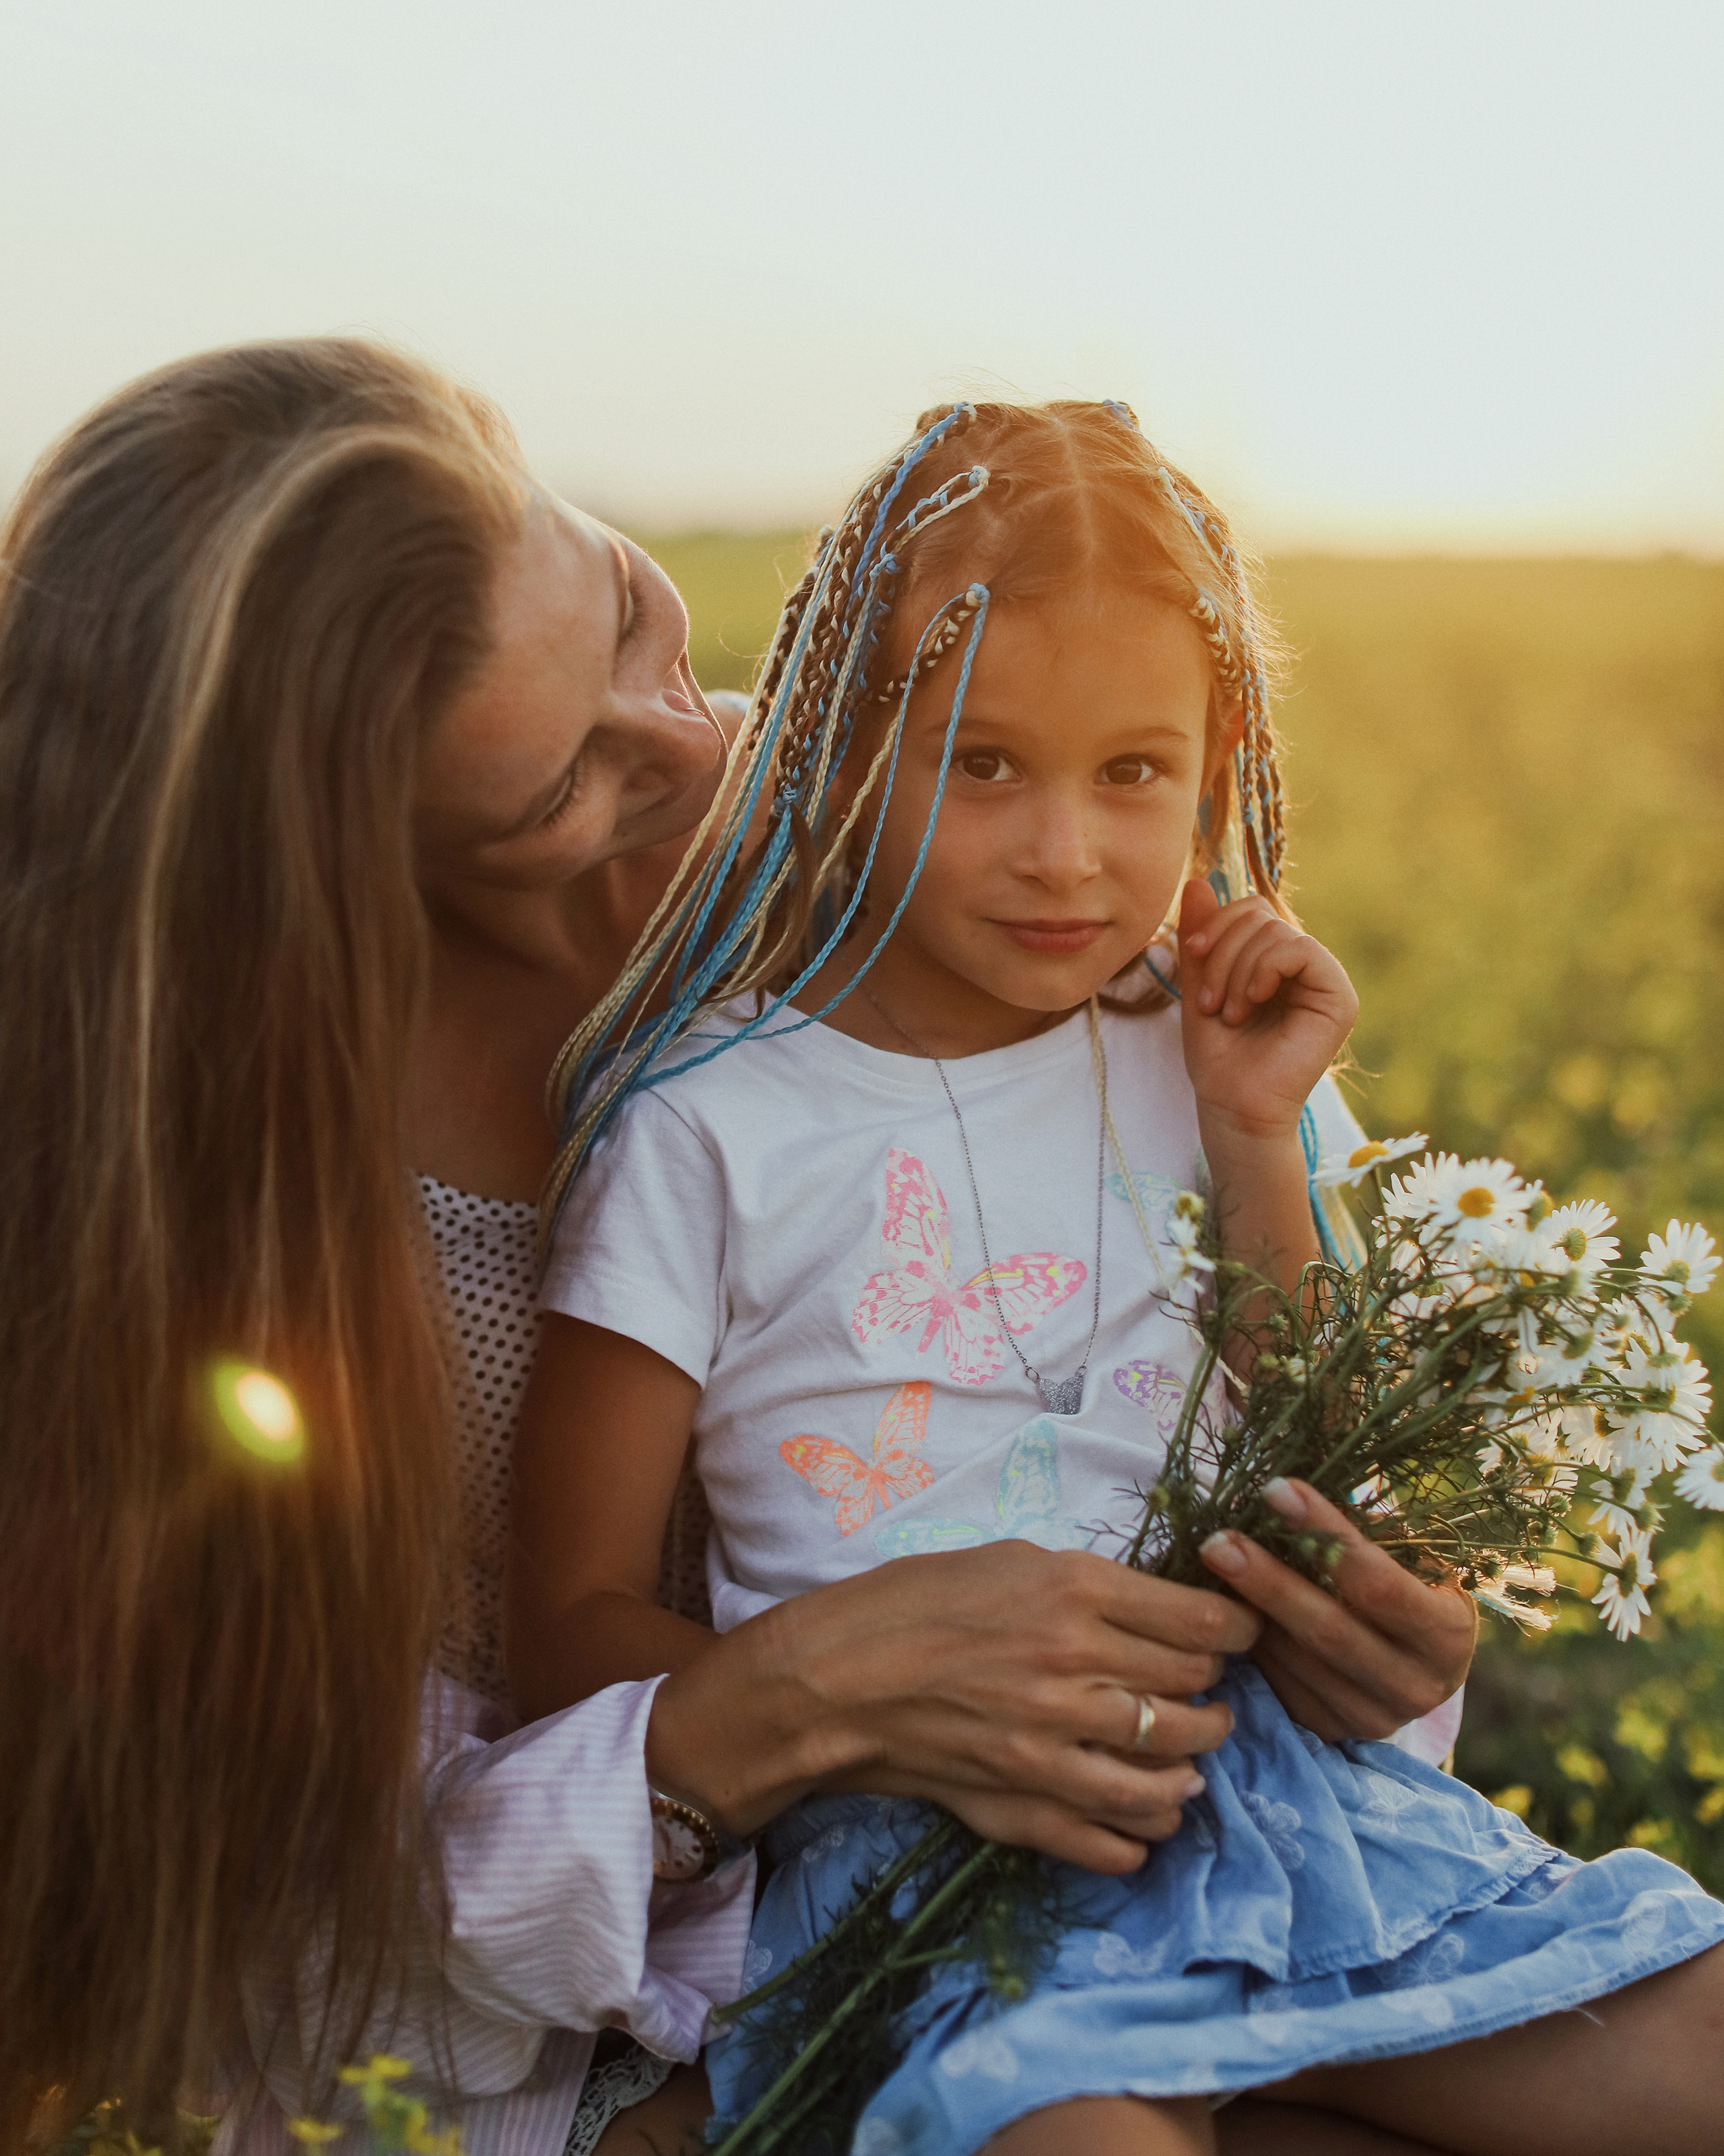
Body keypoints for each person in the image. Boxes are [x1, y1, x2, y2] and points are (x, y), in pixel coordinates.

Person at [0, 343, 1471, 2156]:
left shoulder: (954, 880)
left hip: (1105, 1907)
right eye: (560, 794)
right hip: (574, 2064)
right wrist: (767, 1713)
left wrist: (1381, 1647)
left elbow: (1174, 1417)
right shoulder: (218, 1275)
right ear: (320, 883)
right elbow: (298, 1949)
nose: (698, 736)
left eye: (630, 612)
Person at [517, 399, 1724, 2156]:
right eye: (984, 764)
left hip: (1288, 1807)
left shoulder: (1199, 1058)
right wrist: (863, 1693)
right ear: (850, 747)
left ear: (1220, 763)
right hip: (937, 1859)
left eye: (1134, 773)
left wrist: (1255, 1136)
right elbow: (567, 1633)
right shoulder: (709, 1122)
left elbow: (1328, 1471)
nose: (1067, 853)